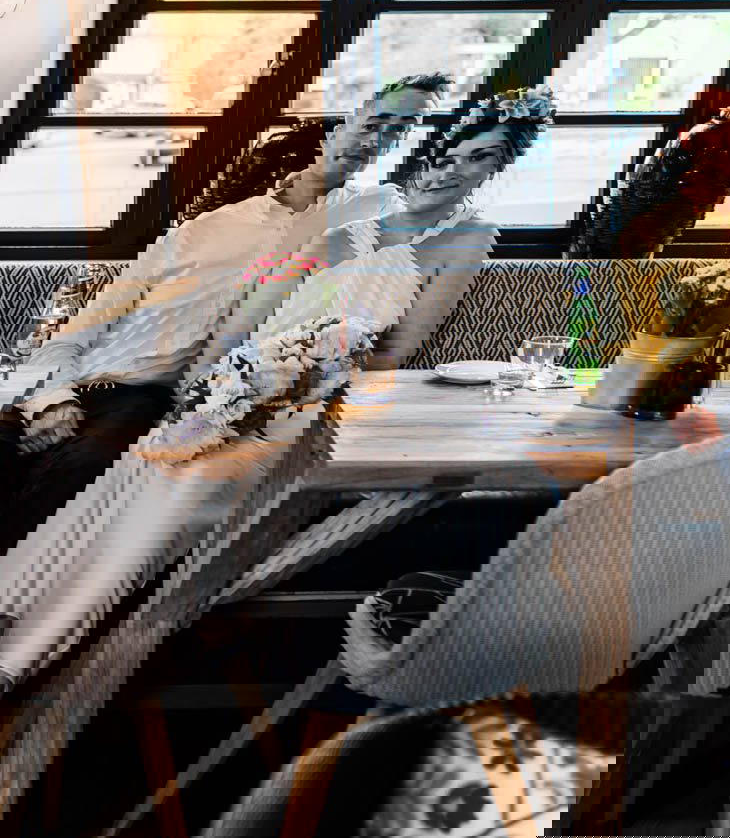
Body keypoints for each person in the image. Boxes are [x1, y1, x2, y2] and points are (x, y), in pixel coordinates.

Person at [0, 88, 555, 693]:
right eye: (451, 147)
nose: (454, 166)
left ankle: (29, 651)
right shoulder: (347, 217)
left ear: (498, 167)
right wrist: (210, 390)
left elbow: (398, 350)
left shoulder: (471, 237)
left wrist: (315, 378)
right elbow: (255, 312)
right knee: (143, 471)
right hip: (237, 386)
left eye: (480, 157)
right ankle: (16, 604)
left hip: (316, 405)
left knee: (181, 496)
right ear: (431, 146)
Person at [0, 73, 450, 542]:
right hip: (63, 379)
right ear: (346, 121)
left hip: (145, 398)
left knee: (90, 467)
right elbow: (76, 331)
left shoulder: (360, 229)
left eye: (398, 131)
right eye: (374, 122)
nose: (376, 139)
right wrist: (52, 400)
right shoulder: (208, 227)